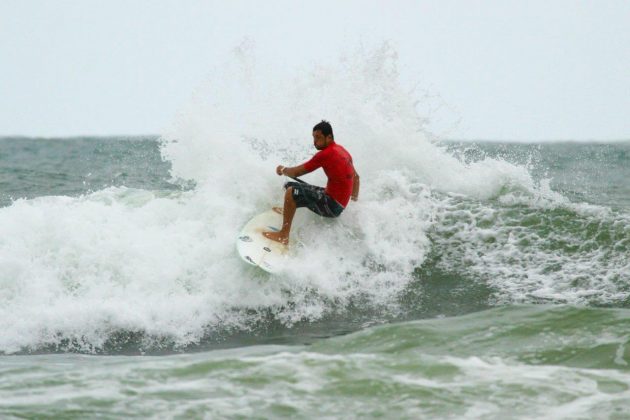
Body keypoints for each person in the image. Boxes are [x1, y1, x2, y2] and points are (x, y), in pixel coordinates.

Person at [263, 120, 360, 245]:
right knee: (290, 185)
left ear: (329, 137)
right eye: (314, 138)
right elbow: (356, 178)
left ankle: (283, 235)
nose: (315, 142)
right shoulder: (342, 151)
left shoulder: (326, 154)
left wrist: (282, 169)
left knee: (291, 192)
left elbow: (296, 173)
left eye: (318, 138)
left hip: (331, 206)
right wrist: (352, 203)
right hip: (336, 202)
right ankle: (288, 209)